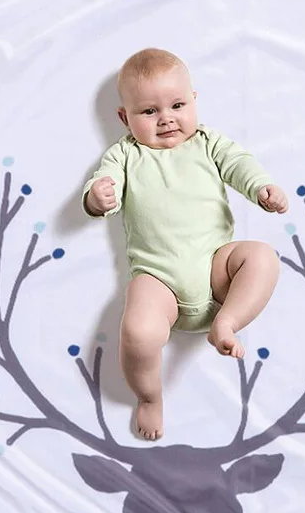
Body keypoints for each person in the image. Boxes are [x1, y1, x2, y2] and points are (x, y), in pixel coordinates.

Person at [83, 48, 288, 440]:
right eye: (149, 111)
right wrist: (98, 197)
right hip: (159, 281)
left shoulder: (207, 143)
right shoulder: (125, 154)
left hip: (217, 270)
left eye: (177, 105)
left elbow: (239, 163)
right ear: (125, 118)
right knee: (139, 333)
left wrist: (261, 187)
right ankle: (149, 396)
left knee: (262, 257)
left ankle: (227, 322)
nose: (166, 119)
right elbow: (104, 181)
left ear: (194, 101)